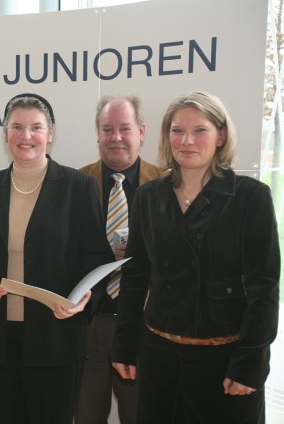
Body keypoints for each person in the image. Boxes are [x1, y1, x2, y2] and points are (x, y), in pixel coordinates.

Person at [113, 90, 280, 424]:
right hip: (158, 356)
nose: (186, 140)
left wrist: (250, 364)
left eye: (199, 130)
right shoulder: (149, 196)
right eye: (177, 131)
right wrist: (125, 345)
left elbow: (264, 288)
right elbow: (135, 277)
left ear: (221, 136)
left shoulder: (250, 197)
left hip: (223, 360)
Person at [0, 93, 114, 424]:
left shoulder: (79, 187)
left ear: (51, 133)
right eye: (17, 127)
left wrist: (84, 298)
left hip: (55, 339)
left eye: (36, 127)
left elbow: (96, 256)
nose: (26, 135)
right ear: (5, 133)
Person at [76, 95, 162, 424]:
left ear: (141, 132)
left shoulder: (167, 185)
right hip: (88, 329)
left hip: (145, 329)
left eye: (125, 128)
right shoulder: (74, 184)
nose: (116, 137)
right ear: (97, 134)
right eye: (107, 129)